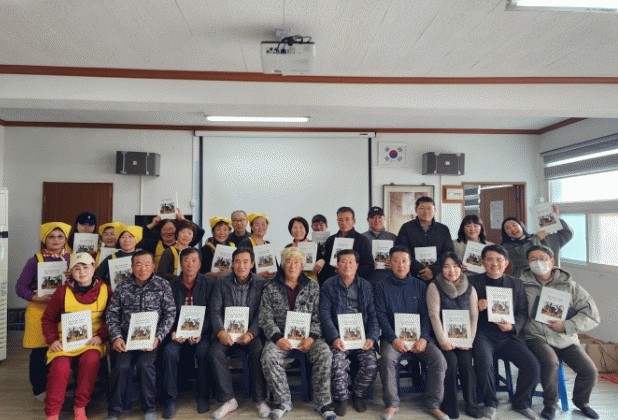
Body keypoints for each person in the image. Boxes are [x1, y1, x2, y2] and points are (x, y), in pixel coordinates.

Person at [521, 246, 600, 420]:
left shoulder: (570, 286)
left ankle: (582, 402)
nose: (538, 262)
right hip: (536, 336)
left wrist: (566, 325)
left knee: (589, 370)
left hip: (565, 338)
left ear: (552, 261)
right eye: (533, 259)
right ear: (527, 263)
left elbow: (592, 315)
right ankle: (551, 404)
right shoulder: (521, 284)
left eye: (542, 258)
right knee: (550, 362)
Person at [259, 247, 336, 420]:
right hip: (280, 337)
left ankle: (323, 403)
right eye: (289, 261)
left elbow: (319, 317)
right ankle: (283, 401)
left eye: (297, 262)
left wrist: (312, 337)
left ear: (302, 265)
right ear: (282, 264)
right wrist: (277, 338)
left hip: (308, 337)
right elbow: (265, 317)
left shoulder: (313, 286)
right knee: (268, 356)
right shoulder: (270, 286)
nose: (292, 265)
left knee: (325, 353)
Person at [374, 245, 448, 420]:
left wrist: (424, 338)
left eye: (405, 261)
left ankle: (433, 404)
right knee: (386, 359)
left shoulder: (421, 286)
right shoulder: (381, 286)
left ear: (410, 263)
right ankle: (392, 404)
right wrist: (393, 338)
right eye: (396, 261)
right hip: (392, 338)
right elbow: (381, 315)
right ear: (390, 263)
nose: (401, 265)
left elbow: (427, 315)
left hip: (419, 338)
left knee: (439, 360)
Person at [468, 245, 541, 420]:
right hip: (482, 333)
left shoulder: (516, 283)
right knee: (484, 363)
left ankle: (521, 402)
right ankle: (490, 402)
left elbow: (522, 313)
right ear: (483, 262)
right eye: (490, 259)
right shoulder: (471, 282)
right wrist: (475, 306)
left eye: (499, 260)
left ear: (506, 263)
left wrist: (512, 327)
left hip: (507, 335)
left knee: (532, 365)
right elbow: (460, 307)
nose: (495, 264)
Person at [105, 250, 176, 420]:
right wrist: (116, 337)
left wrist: (158, 337)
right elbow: (112, 314)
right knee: (121, 366)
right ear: (132, 267)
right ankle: (115, 409)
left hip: (152, 339)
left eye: (146, 265)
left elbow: (170, 313)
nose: (142, 269)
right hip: (126, 339)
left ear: (153, 266)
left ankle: (149, 407)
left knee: (145, 365)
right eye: (138, 264)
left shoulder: (163, 285)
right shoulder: (122, 286)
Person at [41, 253, 112, 420]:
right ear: (71, 271)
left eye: (86, 267)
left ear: (94, 268)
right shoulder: (61, 292)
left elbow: (111, 318)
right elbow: (48, 319)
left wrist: (101, 336)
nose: (82, 272)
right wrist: (52, 340)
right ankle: (52, 412)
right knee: (60, 369)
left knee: (91, 361)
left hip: (92, 341)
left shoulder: (106, 290)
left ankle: (80, 406)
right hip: (65, 342)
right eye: (77, 269)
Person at [208, 247, 269, 419]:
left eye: (245, 262)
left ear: (252, 264)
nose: (241, 265)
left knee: (259, 350)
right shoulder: (222, 281)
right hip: (226, 332)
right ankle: (228, 399)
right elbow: (215, 310)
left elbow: (262, 313)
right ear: (232, 264)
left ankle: (260, 400)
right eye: (237, 261)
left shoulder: (260, 283)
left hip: (250, 333)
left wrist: (251, 333)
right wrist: (221, 332)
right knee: (214, 352)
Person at [319, 249, 379, 417]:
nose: (347, 265)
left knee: (371, 364)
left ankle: (358, 394)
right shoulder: (328, 285)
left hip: (361, 337)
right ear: (337, 265)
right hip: (339, 337)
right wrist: (334, 338)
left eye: (351, 262)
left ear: (357, 265)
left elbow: (373, 314)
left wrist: (372, 337)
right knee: (336, 363)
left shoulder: (366, 286)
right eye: (343, 261)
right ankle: (342, 398)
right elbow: (324, 315)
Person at [16, 221, 72, 400]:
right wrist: (38, 298)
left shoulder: (72, 260)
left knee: (59, 350)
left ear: (65, 239)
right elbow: (20, 288)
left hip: (63, 312)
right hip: (39, 310)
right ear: (45, 240)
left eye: (60, 236)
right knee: (39, 352)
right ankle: (39, 388)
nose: (56, 240)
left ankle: (57, 385)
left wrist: (73, 277)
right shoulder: (34, 261)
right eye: (51, 236)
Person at [426, 252, 483, 419]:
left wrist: (469, 340)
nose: (452, 270)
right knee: (450, 362)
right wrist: (443, 341)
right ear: (441, 269)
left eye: (455, 266)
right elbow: (433, 316)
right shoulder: (434, 286)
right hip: (441, 337)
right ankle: (449, 405)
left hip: (464, 338)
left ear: (461, 267)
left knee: (466, 363)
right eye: (446, 266)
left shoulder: (470, 288)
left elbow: (474, 316)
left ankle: (471, 404)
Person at [160, 248, 214, 419]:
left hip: (202, 333)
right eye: (186, 260)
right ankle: (170, 399)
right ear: (180, 264)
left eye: (194, 260)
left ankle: (203, 396)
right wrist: (172, 332)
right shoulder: (170, 285)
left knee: (204, 351)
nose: (190, 264)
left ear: (199, 264)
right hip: (177, 333)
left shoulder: (209, 284)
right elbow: (166, 313)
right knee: (169, 352)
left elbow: (213, 313)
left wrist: (200, 332)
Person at [501, 205, 573, 278]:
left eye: (514, 225)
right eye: (508, 228)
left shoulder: (543, 238)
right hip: (526, 282)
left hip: (552, 280)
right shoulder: (507, 247)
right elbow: (523, 256)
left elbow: (567, 233)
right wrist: (536, 238)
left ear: (521, 225)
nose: (513, 229)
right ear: (505, 233)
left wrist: (555, 218)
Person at [395, 197, 454, 282]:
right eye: (422, 208)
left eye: (429, 208)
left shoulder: (443, 229)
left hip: (438, 277)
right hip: (412, 276)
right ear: (416, 210)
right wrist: (421, 269)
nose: (426, 212)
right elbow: (402, 251)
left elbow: (448, 252)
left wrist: (433, 270)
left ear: (434, 210)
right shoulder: (406, 228)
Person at [319, 207, 373, 286]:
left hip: (355, 284)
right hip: (333, 284)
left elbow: (369, 266)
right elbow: (327, 264)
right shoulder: (331, 240)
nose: (344, 223)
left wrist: (349, 272)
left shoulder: (362, 240)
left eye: (347, 219)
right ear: (337, 221)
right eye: (340, 220)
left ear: (353, 221)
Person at [362, 206, 397, 285]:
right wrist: (367, 265)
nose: (377, 220)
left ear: (384, 219)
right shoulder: (361, 238)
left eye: (379, 217)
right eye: (373, 217)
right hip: (367, 282)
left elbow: (399, 258)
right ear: (368, 220)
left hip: (389, 282)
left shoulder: (393, 238)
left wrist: (393, 264)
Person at [285, 216, 325, 281]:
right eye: (295, 228)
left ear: (306, 230)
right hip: (292, 282)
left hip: (311, 281)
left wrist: (322, 261)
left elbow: (322, 261)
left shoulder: (314, 245)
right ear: (291, 231)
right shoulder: (287, 248)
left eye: (301, 227)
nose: (298, 230)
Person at [239, 213, 277, 279]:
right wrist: (256, 275)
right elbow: (240, 267)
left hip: (269, 280)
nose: (261, 227)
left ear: (267, 226)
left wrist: (275, 271)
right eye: (257, 225)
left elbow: (275, 265)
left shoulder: (267, 244)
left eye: (263, 224)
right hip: (252, 281)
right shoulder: (245, 243)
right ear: (251, 227)